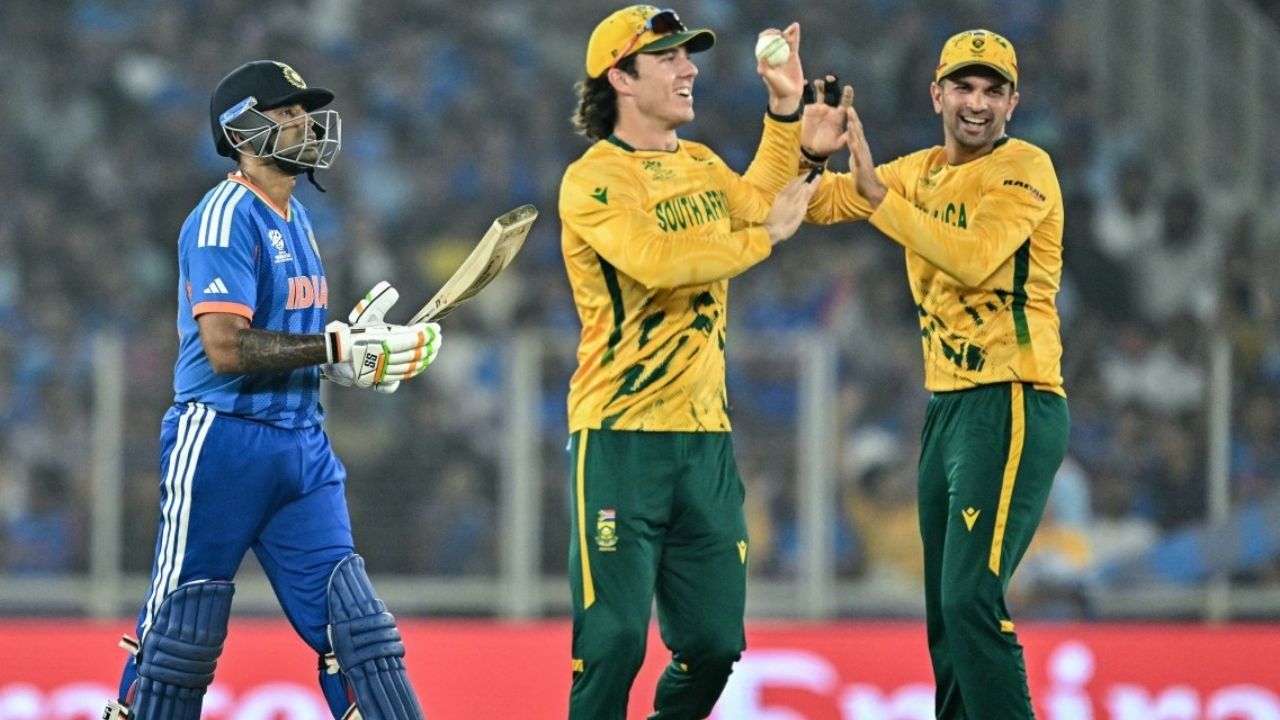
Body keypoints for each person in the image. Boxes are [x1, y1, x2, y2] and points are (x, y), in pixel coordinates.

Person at [104, 60, 441, 720]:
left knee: (360, 631)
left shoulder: (299, 218)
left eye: (304, 112)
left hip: (302, 445)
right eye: (285, 112)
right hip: (221, 442)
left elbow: (291, 341)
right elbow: (227, 347)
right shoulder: (223, 216)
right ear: (240, 131)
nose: (305, 123)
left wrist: (340, 361)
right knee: (179, 637)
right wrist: (333, 347)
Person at [801, 30, 1070, 718]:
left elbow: (975, 257)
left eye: (992, 91)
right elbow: (820, 203)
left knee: (970, 597)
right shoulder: (917, 172)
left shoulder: (1025, 168)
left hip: (1011, 398)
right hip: (946, 408)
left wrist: (881, 201)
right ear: (936, 95)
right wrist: (802, 149)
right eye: (963, 88)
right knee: (946, 615)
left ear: (1013, 103)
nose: (976, 103)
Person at [558, 6, 817, 718]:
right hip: (618, 436)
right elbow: (658, 261)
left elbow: (759, 202)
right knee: (613, 642)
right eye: (668, 56)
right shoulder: (594, 179)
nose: (688, 68)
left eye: (687, 54)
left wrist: (785, 109)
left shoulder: (700, 163)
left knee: (714, 642)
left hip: (704, 439)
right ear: (620, 78)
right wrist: (764, 237)